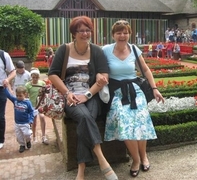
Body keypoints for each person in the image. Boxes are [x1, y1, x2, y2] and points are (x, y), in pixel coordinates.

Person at [48, 16, 118, 180]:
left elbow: (104, 74)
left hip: (91, 95)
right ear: (74, 33)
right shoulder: (63, 50)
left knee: (85, 121)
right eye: (81, 31)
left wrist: (87, 94)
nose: (85, 33)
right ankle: (101, 159)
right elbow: (52, 74)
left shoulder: (96, 51)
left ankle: (81, 169)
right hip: (71, 96)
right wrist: (67, 93)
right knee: (86, 118)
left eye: (88, 30)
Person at [102, 20, 165, 178]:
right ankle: (136, 160)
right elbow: (99, 69)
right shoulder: (106, 50)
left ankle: (144, 156)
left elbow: (144, 69)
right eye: (119, 32)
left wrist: (155, 88)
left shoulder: (134, 49)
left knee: (140, 120)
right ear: (113, 35)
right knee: (124, 120)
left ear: (129, 34)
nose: (122, 35)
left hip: (136, 91)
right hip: (117, 93)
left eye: (125, 32)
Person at [5, 86, 34, 153]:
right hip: (17, 123)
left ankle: (28, 141)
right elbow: (9, 95)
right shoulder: (15, 100)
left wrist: (30, 120)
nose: (18, 97)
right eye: (17, 95)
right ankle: (22, 145)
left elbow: (31, 112)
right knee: (19, 136)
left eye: (20, 96)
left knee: (27, 134)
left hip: (25, 122)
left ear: (25, 94)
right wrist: (4, 87)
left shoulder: (27, 103)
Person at [25, 68, 47, 144]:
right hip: (32, 105)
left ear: (39, 77)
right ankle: (34, 136)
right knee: (34, 122)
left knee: (42, 117)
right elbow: (26, 96)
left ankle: (44, 136)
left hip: (40, 104)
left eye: (36, 77)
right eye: (33, 77)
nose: (35, 79)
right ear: (31, 76)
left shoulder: (42, 83)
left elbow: (45, 94)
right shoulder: (28, 85)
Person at [0, 49, 16, 150]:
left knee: (0, 116)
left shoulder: (3, 55)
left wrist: (8, 79)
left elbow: (13, 71)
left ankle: (0, 140)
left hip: (1, 88)